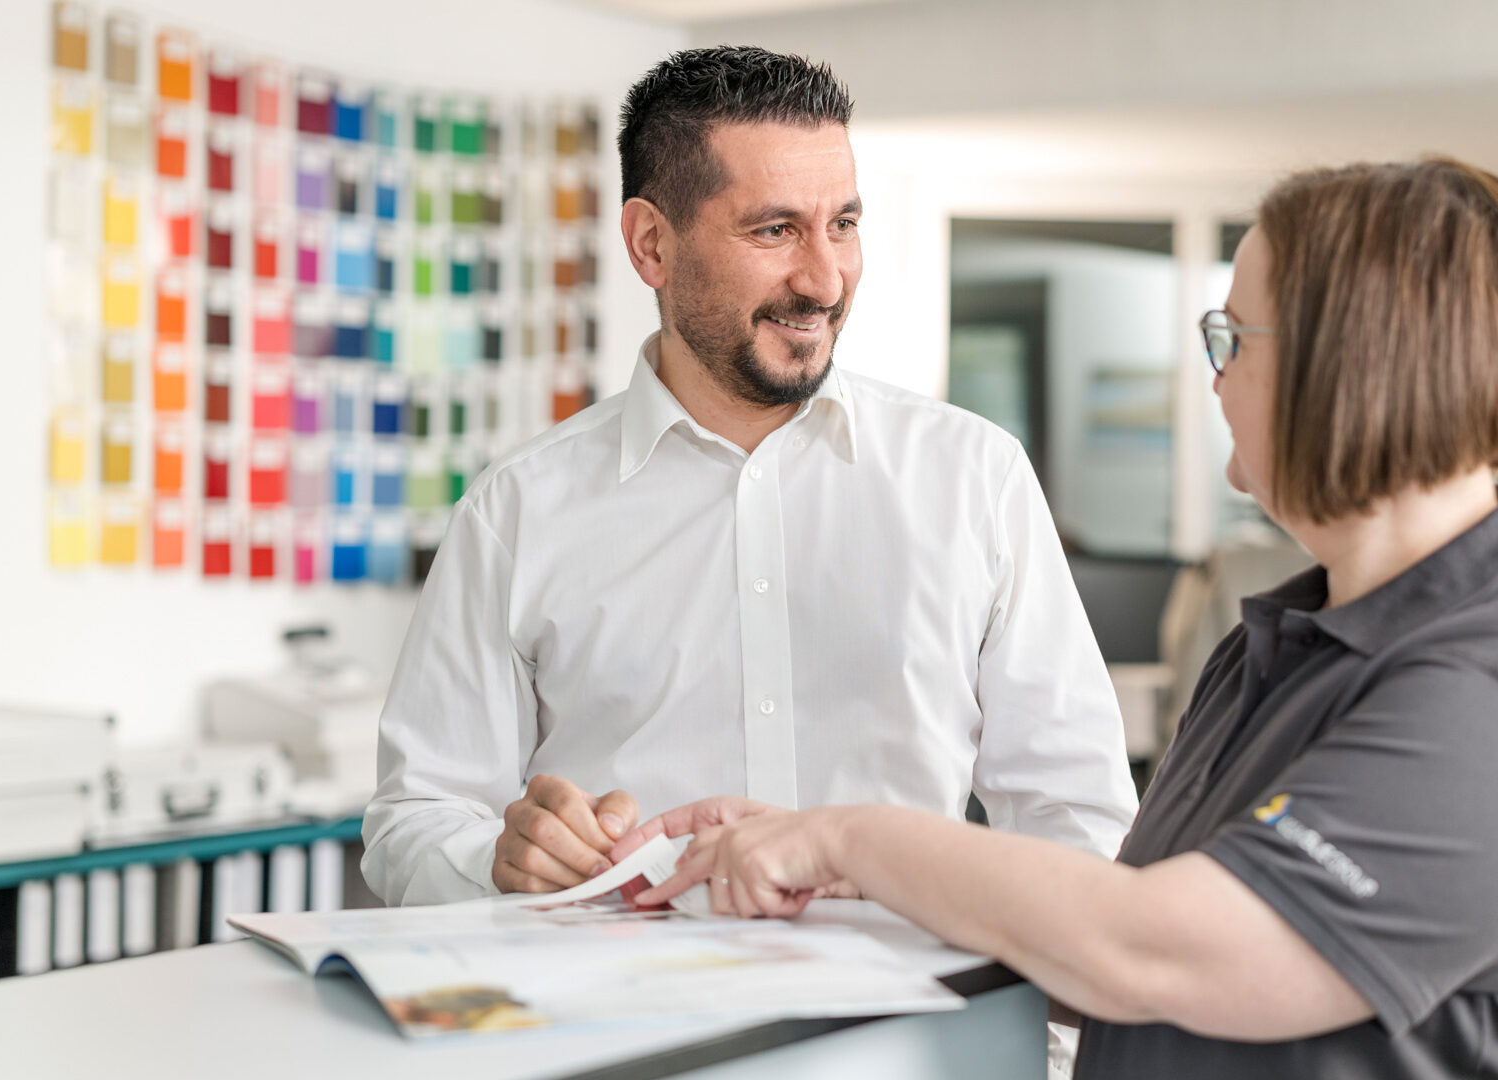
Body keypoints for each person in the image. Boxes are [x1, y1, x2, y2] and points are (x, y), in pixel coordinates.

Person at [625, 158, 1498, 1080]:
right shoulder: (1290, 642)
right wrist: (822, 859)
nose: (1214, 377)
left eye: (1232, 335)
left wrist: (847, 833)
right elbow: (1091, 958)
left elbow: (1152, 954)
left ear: (1354, 361)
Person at [360, 46, 1137, 908]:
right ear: (652, 245)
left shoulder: (975, 480)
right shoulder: (517, 510)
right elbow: (414, 822)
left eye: (843, 223)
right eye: (775, 230)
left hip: (914, 1029)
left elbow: (1082, 824)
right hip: (625, 1027)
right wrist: (497, 858)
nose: (824, 278)